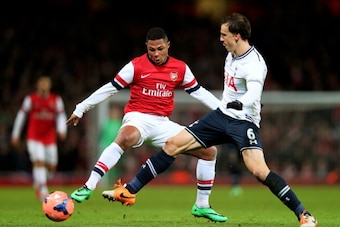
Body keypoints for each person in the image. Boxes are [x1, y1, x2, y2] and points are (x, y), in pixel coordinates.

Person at [105, 13, 318, 227]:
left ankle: (304, 214)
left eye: (223, 34)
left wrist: (240, 104)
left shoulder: (254, 63)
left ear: (236, 35)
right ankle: (128, 191)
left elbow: (254, 93)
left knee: (259, 171)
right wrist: (228, 105)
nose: (220, 39)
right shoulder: (231, 55)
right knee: (173, 144)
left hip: (243, 122)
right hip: (221, 116)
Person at [66, 27, 227, 222]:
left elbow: (199, 92)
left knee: (209, 151)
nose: (156, 54)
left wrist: (225, 110)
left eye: (160, 48)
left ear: (168, 45)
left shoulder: (180, 68)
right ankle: (89, 186)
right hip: (138, 117)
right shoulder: (135, 66)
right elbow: (110, 88)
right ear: (146, 48)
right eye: (152, 50)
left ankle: (202, 205)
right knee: (126, 137)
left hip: (162, 123)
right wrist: (81, 108)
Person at [11, 76, 67, 201]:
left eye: (46, 83)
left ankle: (39, 181)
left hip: (49, 137)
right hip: (34, 137)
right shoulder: (31, 99)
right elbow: (21, 116)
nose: (43, 86)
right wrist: (15, 135)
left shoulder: (55, 99)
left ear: (49, 86)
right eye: (41, 83)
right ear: (37, 85)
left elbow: (61, 115)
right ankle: (43, 190)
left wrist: (62, 129)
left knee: (52, 166)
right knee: (39, 161)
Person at [98, 102, 123, 187]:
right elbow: (102, 136)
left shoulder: (121, 124)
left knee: (115, 168)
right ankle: (103, 183)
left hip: (118, 149)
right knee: (105, 166)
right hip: (105, 147)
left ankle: (114, 183)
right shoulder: (107, 123)